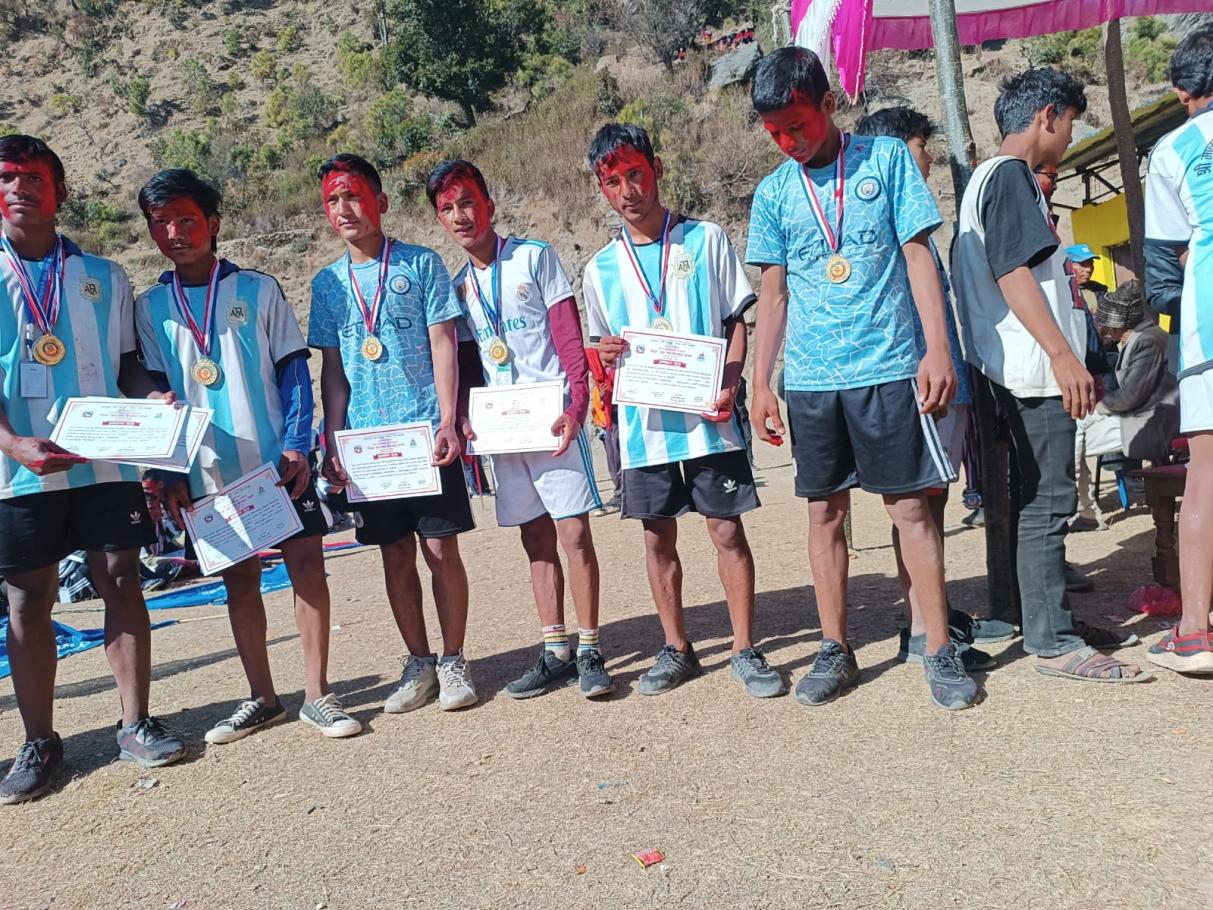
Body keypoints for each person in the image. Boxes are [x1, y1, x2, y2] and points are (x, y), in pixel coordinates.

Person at [747, 49, 977, 710]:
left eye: (797, 126)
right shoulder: (773, 193)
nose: (789, 143)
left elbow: (918, 257)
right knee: (824, 512)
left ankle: (937, 647)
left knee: (910, 509)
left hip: (890, 367)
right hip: (813, 380)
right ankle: (834, 647)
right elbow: (773, 295)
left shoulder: (887, 161)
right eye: (775, 134)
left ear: (828, 103)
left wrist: (937, 349)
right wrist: (761, 384)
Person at [133, 168, 360, 743]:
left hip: (277, 465)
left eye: (187, 219)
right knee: (239, 581)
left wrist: (297, 445)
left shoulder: (258, 289)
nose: (175, 232)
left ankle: (318, 695)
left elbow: (293, 371)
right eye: (162, 222)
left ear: (212, 223)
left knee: (306, 567)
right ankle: (262, 696)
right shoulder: (150, 306)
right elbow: (155, 394)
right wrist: (166, 470)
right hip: (205, 470)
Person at [0, 136, 184, 804]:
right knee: (28, 600)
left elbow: (127, 360)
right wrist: (12, 444)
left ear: (61, 191)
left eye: (34, 177)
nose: (20, 188)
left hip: (105, 461)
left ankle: (135, 722)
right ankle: (40, 741)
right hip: (20, 469)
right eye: (8, 177)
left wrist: (151, 396)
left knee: (121, 579)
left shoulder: (106, 276)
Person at [952, 68, 1149, 683]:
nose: (1068, 139)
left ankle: (1042, 616)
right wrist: (1063, 356)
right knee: (1050, 500)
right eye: (1069, 125)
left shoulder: (988, 179)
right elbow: (1013, 273)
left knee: (1036, 496)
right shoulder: (1010, 176)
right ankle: (1052, 640)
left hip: (1012, 362)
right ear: (1048, 115)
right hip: (1032, 366)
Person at [583, 123, 785, 699]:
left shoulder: (707, 239)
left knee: (726, 530)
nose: (628, 191)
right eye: (613, 181)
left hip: (708, 421)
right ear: (602, 188)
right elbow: (600, 351)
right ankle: (677, 647)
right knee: (657, 540)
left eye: (636, 174)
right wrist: (605, 354)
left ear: (657, 168)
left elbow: (735, 322)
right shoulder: (599, 269)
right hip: (644, 430)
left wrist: (732, 382)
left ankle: (744, 648)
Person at [427, 158, 613, 699]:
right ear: (440, 219)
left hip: (551, 420)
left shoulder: (535, 257)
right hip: (503, 432)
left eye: (467, 202)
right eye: (447, 209)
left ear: (488, 203)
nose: (460, 216)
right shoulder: (458, 287)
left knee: (573, 534)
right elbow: (466, 363)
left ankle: (590, 648)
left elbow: (568, 336)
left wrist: (576, 404)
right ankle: (555, 650)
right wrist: (465, 416)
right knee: (535, 539)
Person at [308, 154, 479, 711]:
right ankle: (419, 662)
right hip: (367, 447)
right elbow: (333, 371)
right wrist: (333, 440)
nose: (344, 209)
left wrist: (448, 419)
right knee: (394, 554)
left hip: (424, 435)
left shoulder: (422, 264)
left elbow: (443, 345)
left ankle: (453, 659)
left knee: (440, 548)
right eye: (333, 200)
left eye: (354, 196)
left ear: (380, 202)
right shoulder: (327, 284)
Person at [854, 106, 1015, 666]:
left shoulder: (910, 218)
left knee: (931, 504)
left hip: (945, 383)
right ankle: (924, 627)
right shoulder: (888, 228)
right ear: (896, 151)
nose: (927, 159)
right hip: (923, 381)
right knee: (917, 506)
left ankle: (931, 613)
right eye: (922, 147)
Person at [1143, 25, 1213, 674]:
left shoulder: (1172, 149)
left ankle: (1193, 633)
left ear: (1181, 91)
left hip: (1208, 327)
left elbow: (1163, 267)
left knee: (1205, 479)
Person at [1064, 244, 1108, 311]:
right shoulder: (1061, 292)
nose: (1089, 269)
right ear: (1068, 265)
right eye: (1082, 264)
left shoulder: (1100, 290)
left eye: (1091, 263)